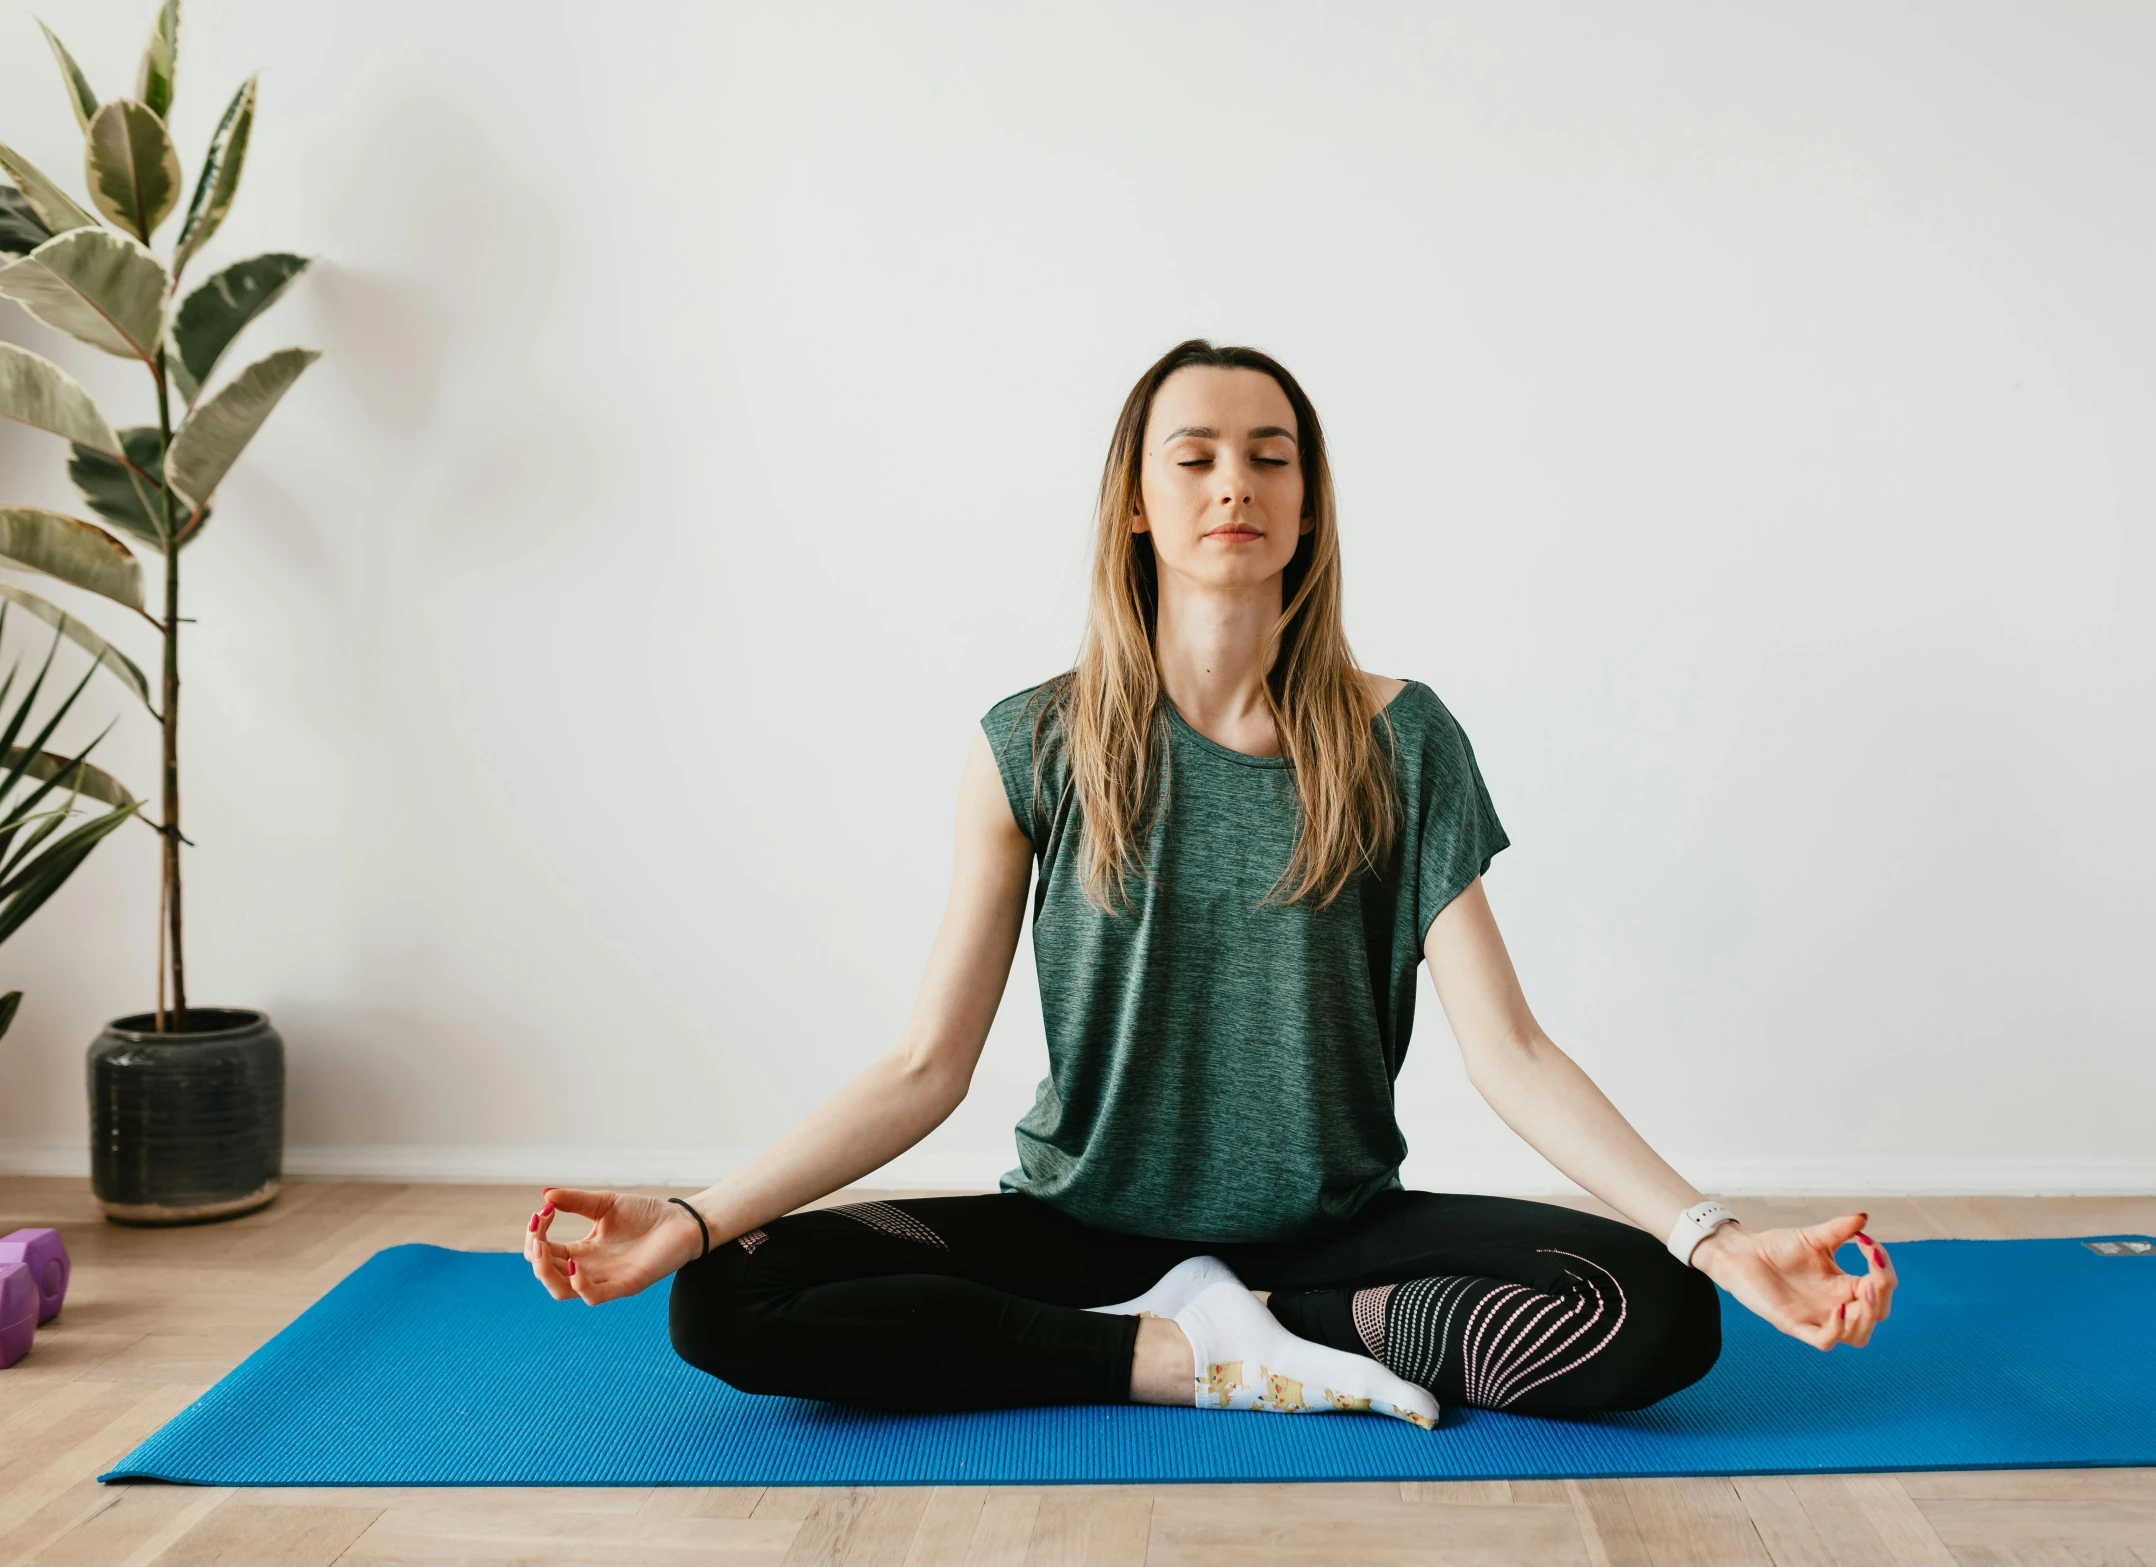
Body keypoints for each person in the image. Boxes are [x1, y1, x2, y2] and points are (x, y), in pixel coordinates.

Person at [523, 340, 1898, 1427]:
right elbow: (923, 1063)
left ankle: (1282, 1334)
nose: (1233, 483)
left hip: (1335, 1236)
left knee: (1658, 1315)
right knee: (728, 1295)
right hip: (1080, 1231)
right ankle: (1184, 1356)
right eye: (1193, 457)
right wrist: (696, 1211)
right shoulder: (1033, 744)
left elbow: (1513, 1050)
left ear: (1305, 505)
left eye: (1268, 456)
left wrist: (1711, 1235)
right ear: (1137, 502)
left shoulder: (1399, 738)